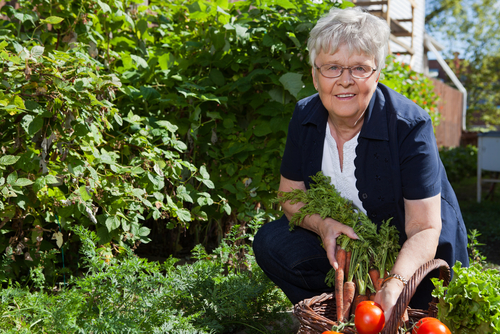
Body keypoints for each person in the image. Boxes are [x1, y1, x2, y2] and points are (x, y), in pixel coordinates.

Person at [252, 6, 469, 322]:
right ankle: (338, 312)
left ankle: (378, 305)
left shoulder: (410, 125)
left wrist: (396, 282)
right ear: (315, 75)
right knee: (272, 241)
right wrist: (322, 224)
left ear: (377, 73)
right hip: (352, 253)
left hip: (418, 253)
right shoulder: (304, 117)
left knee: (420, 317)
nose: (345, 81)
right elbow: (289, 195)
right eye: (332, 67)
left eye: (359, 68)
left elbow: (423, 228)